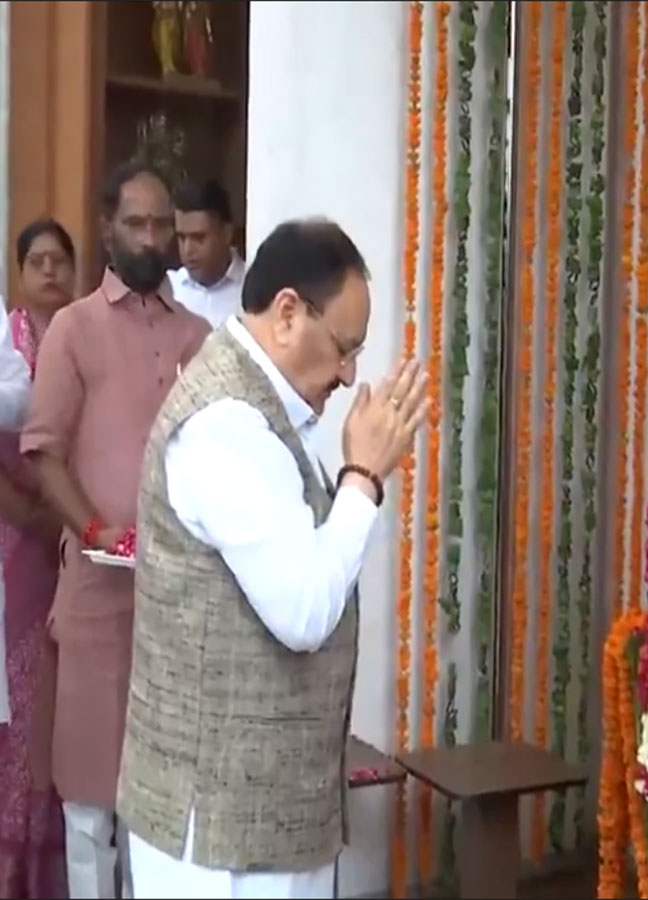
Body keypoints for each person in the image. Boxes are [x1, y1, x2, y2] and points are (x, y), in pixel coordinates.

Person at [118, 218, 429, 898]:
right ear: (287, 313)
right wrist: (363, 479)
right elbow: (302, 611)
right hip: (221, 833)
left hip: (262, 817)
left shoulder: (261, 410)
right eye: (345, 348)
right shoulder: (226, 423)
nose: (350, 374)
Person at [20, 162, 211, 900]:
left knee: (158, 809)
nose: (152, 236)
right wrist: (97, 531)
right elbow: (44, 451)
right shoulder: (74, 328)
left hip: (175, 602)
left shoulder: (199, 335)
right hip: (98, 599)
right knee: (91, 806)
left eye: (162, 224)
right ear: (108, 229)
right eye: (137, 223)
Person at [0, 218, 75, 897]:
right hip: (17, 540)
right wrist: (29, 509)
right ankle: (12, 865)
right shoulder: (8, 343)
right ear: (20, 273)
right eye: (38, 261)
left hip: (78, 542)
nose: (50, 272)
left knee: (60, 700)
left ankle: (53, 868)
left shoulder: (81, 339)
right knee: (20, 698)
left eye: (61, 261)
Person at [167, 179, 245, 327]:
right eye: (182, 238)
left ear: (227, 234)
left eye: (199, 238)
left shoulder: (253, 290)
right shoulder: (168, 289)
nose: (188, 249)